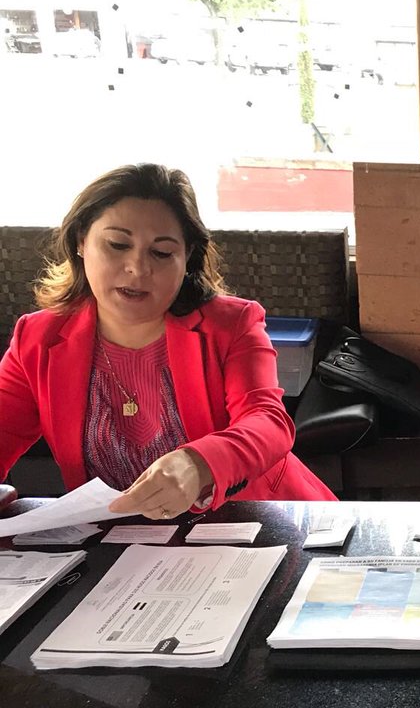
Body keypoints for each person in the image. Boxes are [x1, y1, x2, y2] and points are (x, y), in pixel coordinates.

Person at [0, 163, 336, 517]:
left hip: (257, 520)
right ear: (81, 241)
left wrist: (198, 463)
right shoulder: (38, 337)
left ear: (187, 256)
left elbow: (268, 421)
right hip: (115, 537)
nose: (137, 268)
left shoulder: (232, 324)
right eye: (117, 245)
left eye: (161, 253)